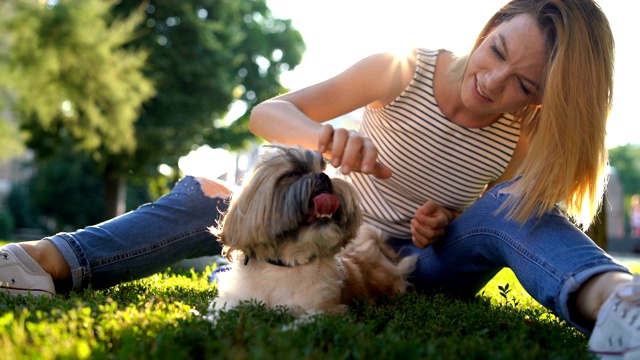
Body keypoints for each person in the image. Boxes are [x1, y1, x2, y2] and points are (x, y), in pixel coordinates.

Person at [0, 0, 637, 357]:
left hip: (425, 266)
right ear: (490, 25)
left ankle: (616, 305)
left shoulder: (521, 136)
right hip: (330, 231)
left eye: (524, 85)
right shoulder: (403, 68)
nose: (494, 84)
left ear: (545, 98)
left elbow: (476, 226)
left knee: (510, 207)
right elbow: (266, 113)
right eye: (498, 52)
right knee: (212, 196)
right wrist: (322, 137)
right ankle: (45, 261)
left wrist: (438, 225)